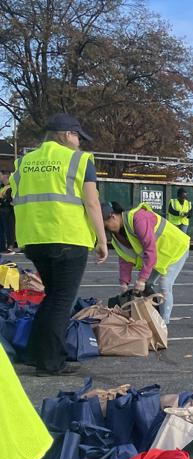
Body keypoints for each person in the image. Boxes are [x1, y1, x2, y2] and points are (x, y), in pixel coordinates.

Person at [12, 113, 108, 376]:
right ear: (66, 134)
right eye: (78, 136)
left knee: (52, 297)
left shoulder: (24, 162)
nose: (80, 142)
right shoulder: (78, 160)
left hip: (33, 239)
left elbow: (15, 195)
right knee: (61, 301)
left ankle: (35, 353)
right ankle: (49, 363)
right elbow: (91, 203)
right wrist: (102, 239)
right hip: (68, 238)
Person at [102, 201, 190, 324]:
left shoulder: (138, 219)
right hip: (160, 255)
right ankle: (152, 317)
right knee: (147, 286)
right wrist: (124, 283)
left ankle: (163, 324)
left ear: (113, 217)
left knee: (164, 285)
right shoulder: (117, 235)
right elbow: (124, 258)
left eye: (106, 226)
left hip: (175, 248)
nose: (106, 231)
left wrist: (141, 279)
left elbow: (150, 250)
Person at [0, 170, 13, 253]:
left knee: (9, 228)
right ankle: (2, 247)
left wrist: (2, 201)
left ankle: (10, 246)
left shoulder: (10, 187)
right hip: (2, 210)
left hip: (8, 210)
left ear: (5, 176)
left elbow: (9, 200)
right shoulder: (2, 187)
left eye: (1, 175)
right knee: (2, 230)